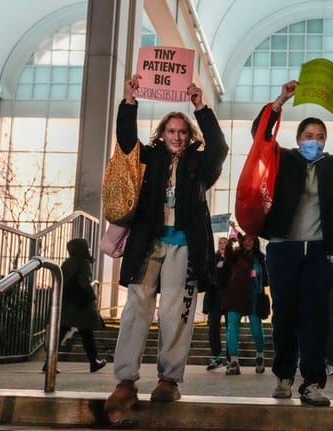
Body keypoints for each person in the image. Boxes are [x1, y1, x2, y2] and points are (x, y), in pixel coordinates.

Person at [104, 75, 229, 424]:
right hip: (149, 242)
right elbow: (126, 141)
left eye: (182, 132)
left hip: (185, 246)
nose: (176, 136)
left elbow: (219, 148)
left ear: (189, 136)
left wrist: (201, 107)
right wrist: (130, 101)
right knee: (135, 308)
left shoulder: (201, 164)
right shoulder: (150, 157)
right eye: (171, 131)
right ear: (162, 133)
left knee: (177, 314)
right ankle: (125, 381)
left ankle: (169, 379)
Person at [251, 80, 333, 406]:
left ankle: (313, 383)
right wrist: (278, 103)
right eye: (308, 136)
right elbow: (259, 137)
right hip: (284, 248)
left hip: (322, 251)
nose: (314, 142)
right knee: (285, 314)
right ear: (298, 139)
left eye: (319, 137)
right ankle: (284, 376)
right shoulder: (283, 159)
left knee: (316, 317)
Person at [49, 238, 107, 373]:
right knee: (87, 333)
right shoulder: (84, 262)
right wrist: (91, 297)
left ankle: (49, 362)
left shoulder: (67, 263)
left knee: (61, 332)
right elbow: (84, 282)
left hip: (66, 302)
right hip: (81, 303)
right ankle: (93, 362)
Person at [220, 224, 268, 375]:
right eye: (245, 239)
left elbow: (265, 279)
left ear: (255, 242)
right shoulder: (235, 255)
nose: (248, 242)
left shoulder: (260, 258)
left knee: (256, 329)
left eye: (251, 239)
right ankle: (233, 361)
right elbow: (227, 255)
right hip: (235, 296)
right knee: (232, 329)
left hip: (254, 297)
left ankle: (260, 355)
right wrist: (230, 241)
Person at [204, 235, 231, 370]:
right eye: (220, 243)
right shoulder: (212, 259)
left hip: (228, 298)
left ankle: (230, 357)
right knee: (213, 328)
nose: (222, 245)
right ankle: (216, 356)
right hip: (214, 298)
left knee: (230, 328)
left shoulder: (232, 259)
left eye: (225, 243)